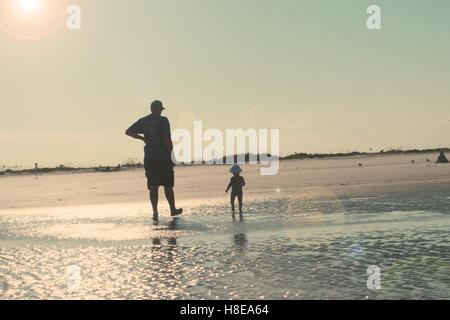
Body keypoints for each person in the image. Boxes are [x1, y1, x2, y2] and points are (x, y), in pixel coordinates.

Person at [125, 100, 182, 221]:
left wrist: (143, 138)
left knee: (153, 186)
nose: (161, 111)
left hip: (150, 158)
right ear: (155, 109)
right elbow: (167, 138)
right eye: (160, 108)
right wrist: (173, 155)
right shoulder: (163, 120)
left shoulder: (143, 121)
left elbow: (128, 132)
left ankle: (155, 212)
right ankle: (172, 209)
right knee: (168, 185)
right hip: (164, 158)